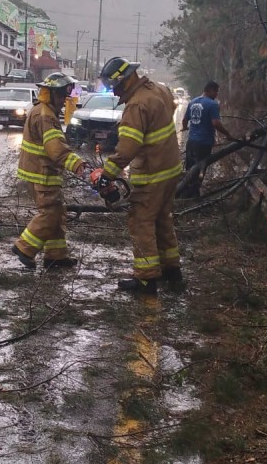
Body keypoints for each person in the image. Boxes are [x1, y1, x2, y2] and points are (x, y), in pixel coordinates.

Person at [96, 56, 183, 295]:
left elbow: (128, 148)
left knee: (141, 222)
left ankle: (146, 279)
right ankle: (172, 271)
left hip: (152, 174)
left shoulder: (136, 105)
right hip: (171, 169)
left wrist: (107, 174)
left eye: (116, 87)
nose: (115, 93)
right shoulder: (159, 90)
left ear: (125, 80)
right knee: (163, 219)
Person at [12, 72, 85, 270]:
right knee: (50, 213)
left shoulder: (43, 110)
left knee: (57, 212)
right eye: (61, 96)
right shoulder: (45, 115)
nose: (63, 101)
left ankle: (56, 256)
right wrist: (77, 164)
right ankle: (24, 247)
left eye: (65, 96)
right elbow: (56, 148)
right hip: (42, 173)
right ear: (50, 94)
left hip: (43, 172)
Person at [181, 80, 234, 198]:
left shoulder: (193, 102)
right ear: (210, 90)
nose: (216, 94)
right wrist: (227, 134)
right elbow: (216, 123)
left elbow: (185, 120)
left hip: (191, 142)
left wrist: (185, 128)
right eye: (216, 92)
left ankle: (186, 194)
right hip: (204, 143)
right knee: (200, 170)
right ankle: (193, 196)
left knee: (190, 169)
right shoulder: (212, 104)